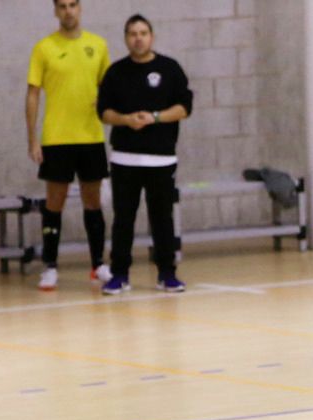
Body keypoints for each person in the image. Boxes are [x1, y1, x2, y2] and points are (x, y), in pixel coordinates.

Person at [96, 14, 192, 295]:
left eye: (143, 33)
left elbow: (184, 108)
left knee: (162, 218)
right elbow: (104, 112)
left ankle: (167, 274)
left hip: (161, 159)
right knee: (123, 219)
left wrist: (155, 117)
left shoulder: (170, 68)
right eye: (133, 33)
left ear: (151, 36)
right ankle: (119, 274)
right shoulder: (116, 72)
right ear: (126, 38)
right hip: (124, 159)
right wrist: (126, 120)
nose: (138, 38)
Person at [26, 0, 113, 292]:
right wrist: (32, 138)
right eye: (62, 6)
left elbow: (109, 87)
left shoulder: (98, 45)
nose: (68, 10)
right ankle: (50, 266)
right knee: (54, 203)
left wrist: (107, 103)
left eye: (73, 4)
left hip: (91, 137)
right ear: (55, 11)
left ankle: (98, 264)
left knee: (93, 202)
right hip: (57, 138)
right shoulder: (44, 47)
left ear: (80, 8)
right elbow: (33, 94)